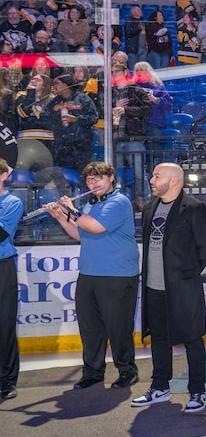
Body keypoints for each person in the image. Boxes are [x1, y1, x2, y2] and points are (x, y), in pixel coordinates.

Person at [131, 163, 206, 413]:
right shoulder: (149, 209)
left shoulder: (194, 209)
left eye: (157, 175)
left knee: (192, 339)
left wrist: (187, 274)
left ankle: (198, 392)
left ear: (174, 180)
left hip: (183, 289)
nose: (151, 179)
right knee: (159, 338)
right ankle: (160, 387)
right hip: (153, 288)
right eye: (152, 174)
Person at [45, 162, 140, 390]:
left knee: (118, 327)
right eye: (89, 180)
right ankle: (93, 372)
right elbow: (81, 233)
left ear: (110, 178)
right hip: (89, 273)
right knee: (90, 327)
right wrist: (60, 216)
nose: (93, 183)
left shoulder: (119, 201)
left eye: (98, 178)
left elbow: (95, 227)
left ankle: (127, 370)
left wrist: (71, 210)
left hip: (117, 275)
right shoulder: (91, 204)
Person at [111, 62, 153, 209]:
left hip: (134, 138)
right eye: (112, 72)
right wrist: (114, 107)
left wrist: (126, 110)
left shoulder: (136, 91)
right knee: (117, 176)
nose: (114, 75)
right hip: (115, 139)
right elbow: (99, 111)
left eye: (117, 71)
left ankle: (146, 206)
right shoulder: (109, 92)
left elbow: (147, 110)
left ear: (125, 72)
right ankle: (120, 206)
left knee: (139, 174)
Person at [0, 158, 23, 400]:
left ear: (3, 176)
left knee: (4, 325)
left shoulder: (12, 202)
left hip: (2, 266)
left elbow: (1, 234)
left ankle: (7, 380)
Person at [47, 73, 97, 173]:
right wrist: (55, 109)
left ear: (66, 85)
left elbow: (93, 118)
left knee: (84, 173)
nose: (54, 86)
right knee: (65, 174)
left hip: (82, 144)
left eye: (56, 83)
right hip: (62, 145)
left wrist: (76, 119)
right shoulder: (54, 102)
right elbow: (45, 120)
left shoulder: (83, 99)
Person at [132, 62, 172, 139]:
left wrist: (156, 100)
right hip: (136, 124)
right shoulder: (132, 87)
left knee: (153, 149)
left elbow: (168, 105)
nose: (138, 72)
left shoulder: (158, 87)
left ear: (148, 72)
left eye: (141, 70)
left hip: (154, 122)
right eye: (136, 70)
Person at [124, 5, 147, 71]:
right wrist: (138, 28)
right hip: (133, 49)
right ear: (133, 12)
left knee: (141, 70)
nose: (141, 11)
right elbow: (128, 33)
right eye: (138, 10)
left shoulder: (143, 22)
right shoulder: (129, 22)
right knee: (133, 69)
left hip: (143, 48)